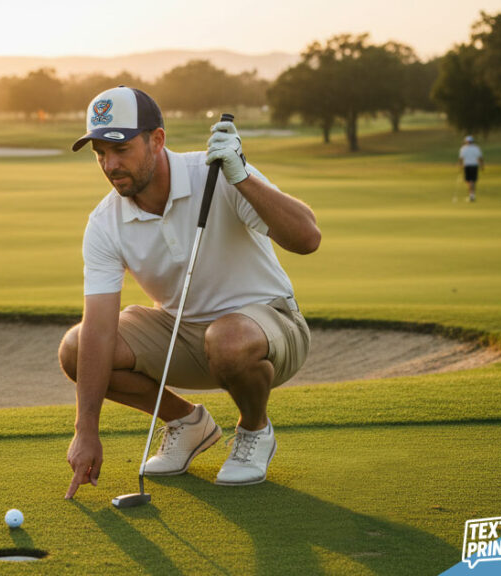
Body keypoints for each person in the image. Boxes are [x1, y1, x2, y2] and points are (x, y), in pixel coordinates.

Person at [59, 86, 321, 499]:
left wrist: (243, 176)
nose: (110, 165)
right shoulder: (105, 221)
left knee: (229, 339)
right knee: (76, 348)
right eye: (100, 153)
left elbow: (308, 238)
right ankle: (186, 423)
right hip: (183, 332)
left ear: (157, 140)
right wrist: (85, 430)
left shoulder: (218, 172)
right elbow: (99, 329)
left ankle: (255, 429)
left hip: (270, 327)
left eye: (121, 149)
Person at [458, 135, 484, 202]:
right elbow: (480, 158)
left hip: (467, 166)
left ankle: (471, 195)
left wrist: (460, 166)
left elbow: (461, 159)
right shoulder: (476, 148)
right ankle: (472, 195)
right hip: (474, 165)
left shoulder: (463, 148)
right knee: (473, 181)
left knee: (469, 181)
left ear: (466, 141)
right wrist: (482, 166)